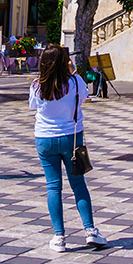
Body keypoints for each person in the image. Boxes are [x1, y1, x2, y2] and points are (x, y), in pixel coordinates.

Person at [31, 45, 107, 251]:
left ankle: (59, 237)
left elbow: (33, 106)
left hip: (45, 139)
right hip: (72, 138)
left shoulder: (37, 85)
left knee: (53, 186)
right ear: (65, 62)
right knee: (78, 184)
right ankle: (90, 230)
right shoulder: (75, 81)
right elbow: (83, 98)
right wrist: (71, 71)